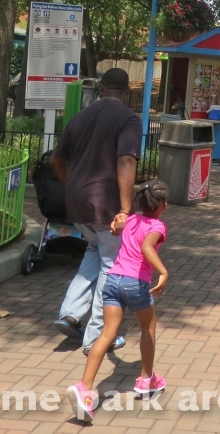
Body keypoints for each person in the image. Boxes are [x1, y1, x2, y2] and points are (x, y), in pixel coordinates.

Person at [52, 67, 142, 355]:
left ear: (101, 88)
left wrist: (73, 185)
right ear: (126, 91)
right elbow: (126, 161)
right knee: (111, 265)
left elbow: (56, 160)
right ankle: (98, 336)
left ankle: (70, 313)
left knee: (94, 252)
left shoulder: (79, 118)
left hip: (77, 202)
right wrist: (126, 209)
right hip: (106, 204)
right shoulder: (128, 119)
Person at [67, 180, 170, 422]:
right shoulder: (157, 225)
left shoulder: (131, 219)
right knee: (148, 326)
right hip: (135, 283)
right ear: (163, 205)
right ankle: (146, 379)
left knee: (107, 334)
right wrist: (163, 272)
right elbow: (147, 247)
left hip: (113, 280)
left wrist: (116, 225)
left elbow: (116, 229)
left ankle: (84, 387)